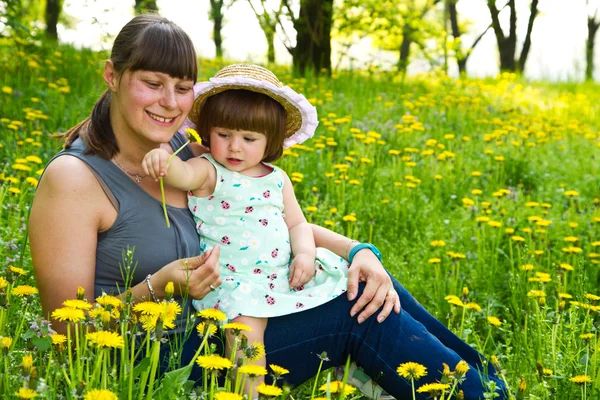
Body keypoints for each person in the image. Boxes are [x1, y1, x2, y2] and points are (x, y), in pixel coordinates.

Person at [28, 14, 507, 399]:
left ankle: (488, 385)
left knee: (361, 279)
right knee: (351, 312)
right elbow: (66, 331)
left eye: (182, 86)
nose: (169, 102)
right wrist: (161, 286)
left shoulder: (184, 147)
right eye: (152, 83)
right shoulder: (75, 180)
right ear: (113, 75)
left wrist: (360, 250)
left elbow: (259, 221)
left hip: (229, 318)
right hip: (157, 363)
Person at [142, 63, 350, 392]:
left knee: (344, 289)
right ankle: (248, 393)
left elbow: (296, 223)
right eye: (224, 135)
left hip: (279, 275)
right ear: (209, 132)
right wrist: (162, 161)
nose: (235, 147)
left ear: (271, 142)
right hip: (235, 283)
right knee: (247, 342)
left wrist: (306, 255)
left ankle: (355, 369)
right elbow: (181, 175)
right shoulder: (208, 169)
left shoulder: (277, 178)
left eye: (249, 138)